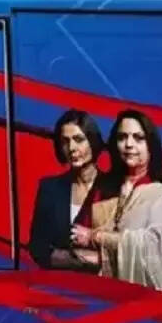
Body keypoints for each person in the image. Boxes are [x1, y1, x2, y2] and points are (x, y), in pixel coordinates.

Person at [72, 109, 162, 290]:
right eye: (122, 137)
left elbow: (158, 254)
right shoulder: (102, 188)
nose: (129, 144)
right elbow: (76, 236)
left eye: (138, 138)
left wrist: (96, 238)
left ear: (150, 145)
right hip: (97, 292)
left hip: (144, 298)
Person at [28, 109, 114, 271]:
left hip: (102, 282)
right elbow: (37, 248)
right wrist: (78, 258)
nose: (72, 148)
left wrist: (100, 259)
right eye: (65, 141)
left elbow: (124, 249)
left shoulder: (114, 189)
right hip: (61, 282)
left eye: (78, 139)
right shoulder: (50, 189)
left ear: (92, 141)